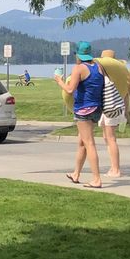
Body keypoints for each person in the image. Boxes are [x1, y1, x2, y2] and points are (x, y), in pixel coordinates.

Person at [53, 41, 104, 188]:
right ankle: (76, 173)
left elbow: (69, 89)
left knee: (89, 143)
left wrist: (59, 81)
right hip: (96, 108)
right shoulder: (98, 67)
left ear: (79, 55)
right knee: (82, 142)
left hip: (84, 109)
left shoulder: (79, 68)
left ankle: (96, 179)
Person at [97, 49, 125, 177]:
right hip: (114, 107)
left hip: (109, 107)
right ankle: (113, 167)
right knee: (107, 137)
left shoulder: (105, 76)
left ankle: (116, 169)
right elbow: (126, 93)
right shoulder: (120, 75)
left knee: (111, 138)